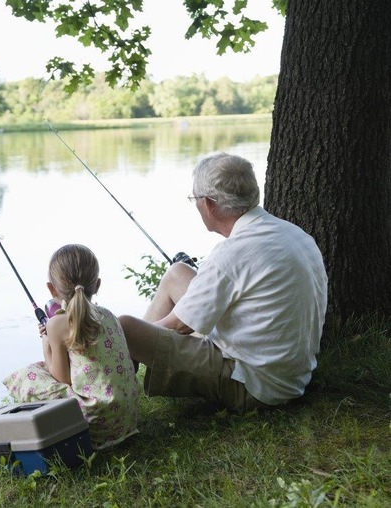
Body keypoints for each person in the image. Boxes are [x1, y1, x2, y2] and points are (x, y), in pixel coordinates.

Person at [119, 152, 328, 412]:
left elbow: (178, 326)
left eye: (194, 199)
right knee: (177, 273)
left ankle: (113, 385)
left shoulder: (231, 253)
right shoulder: (293, 233)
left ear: (208, 204)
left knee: (124, 327)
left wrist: (135, 340)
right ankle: (122, 372)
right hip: (291, 374)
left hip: (255, 384)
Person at [3, 244, 139, 449]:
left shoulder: (57, 324)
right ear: (97, 284)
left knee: (29, 375)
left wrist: (46, 341)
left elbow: (61, 378)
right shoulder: (109, 315)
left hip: (96, 428)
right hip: (127, 419)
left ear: (52, 288)